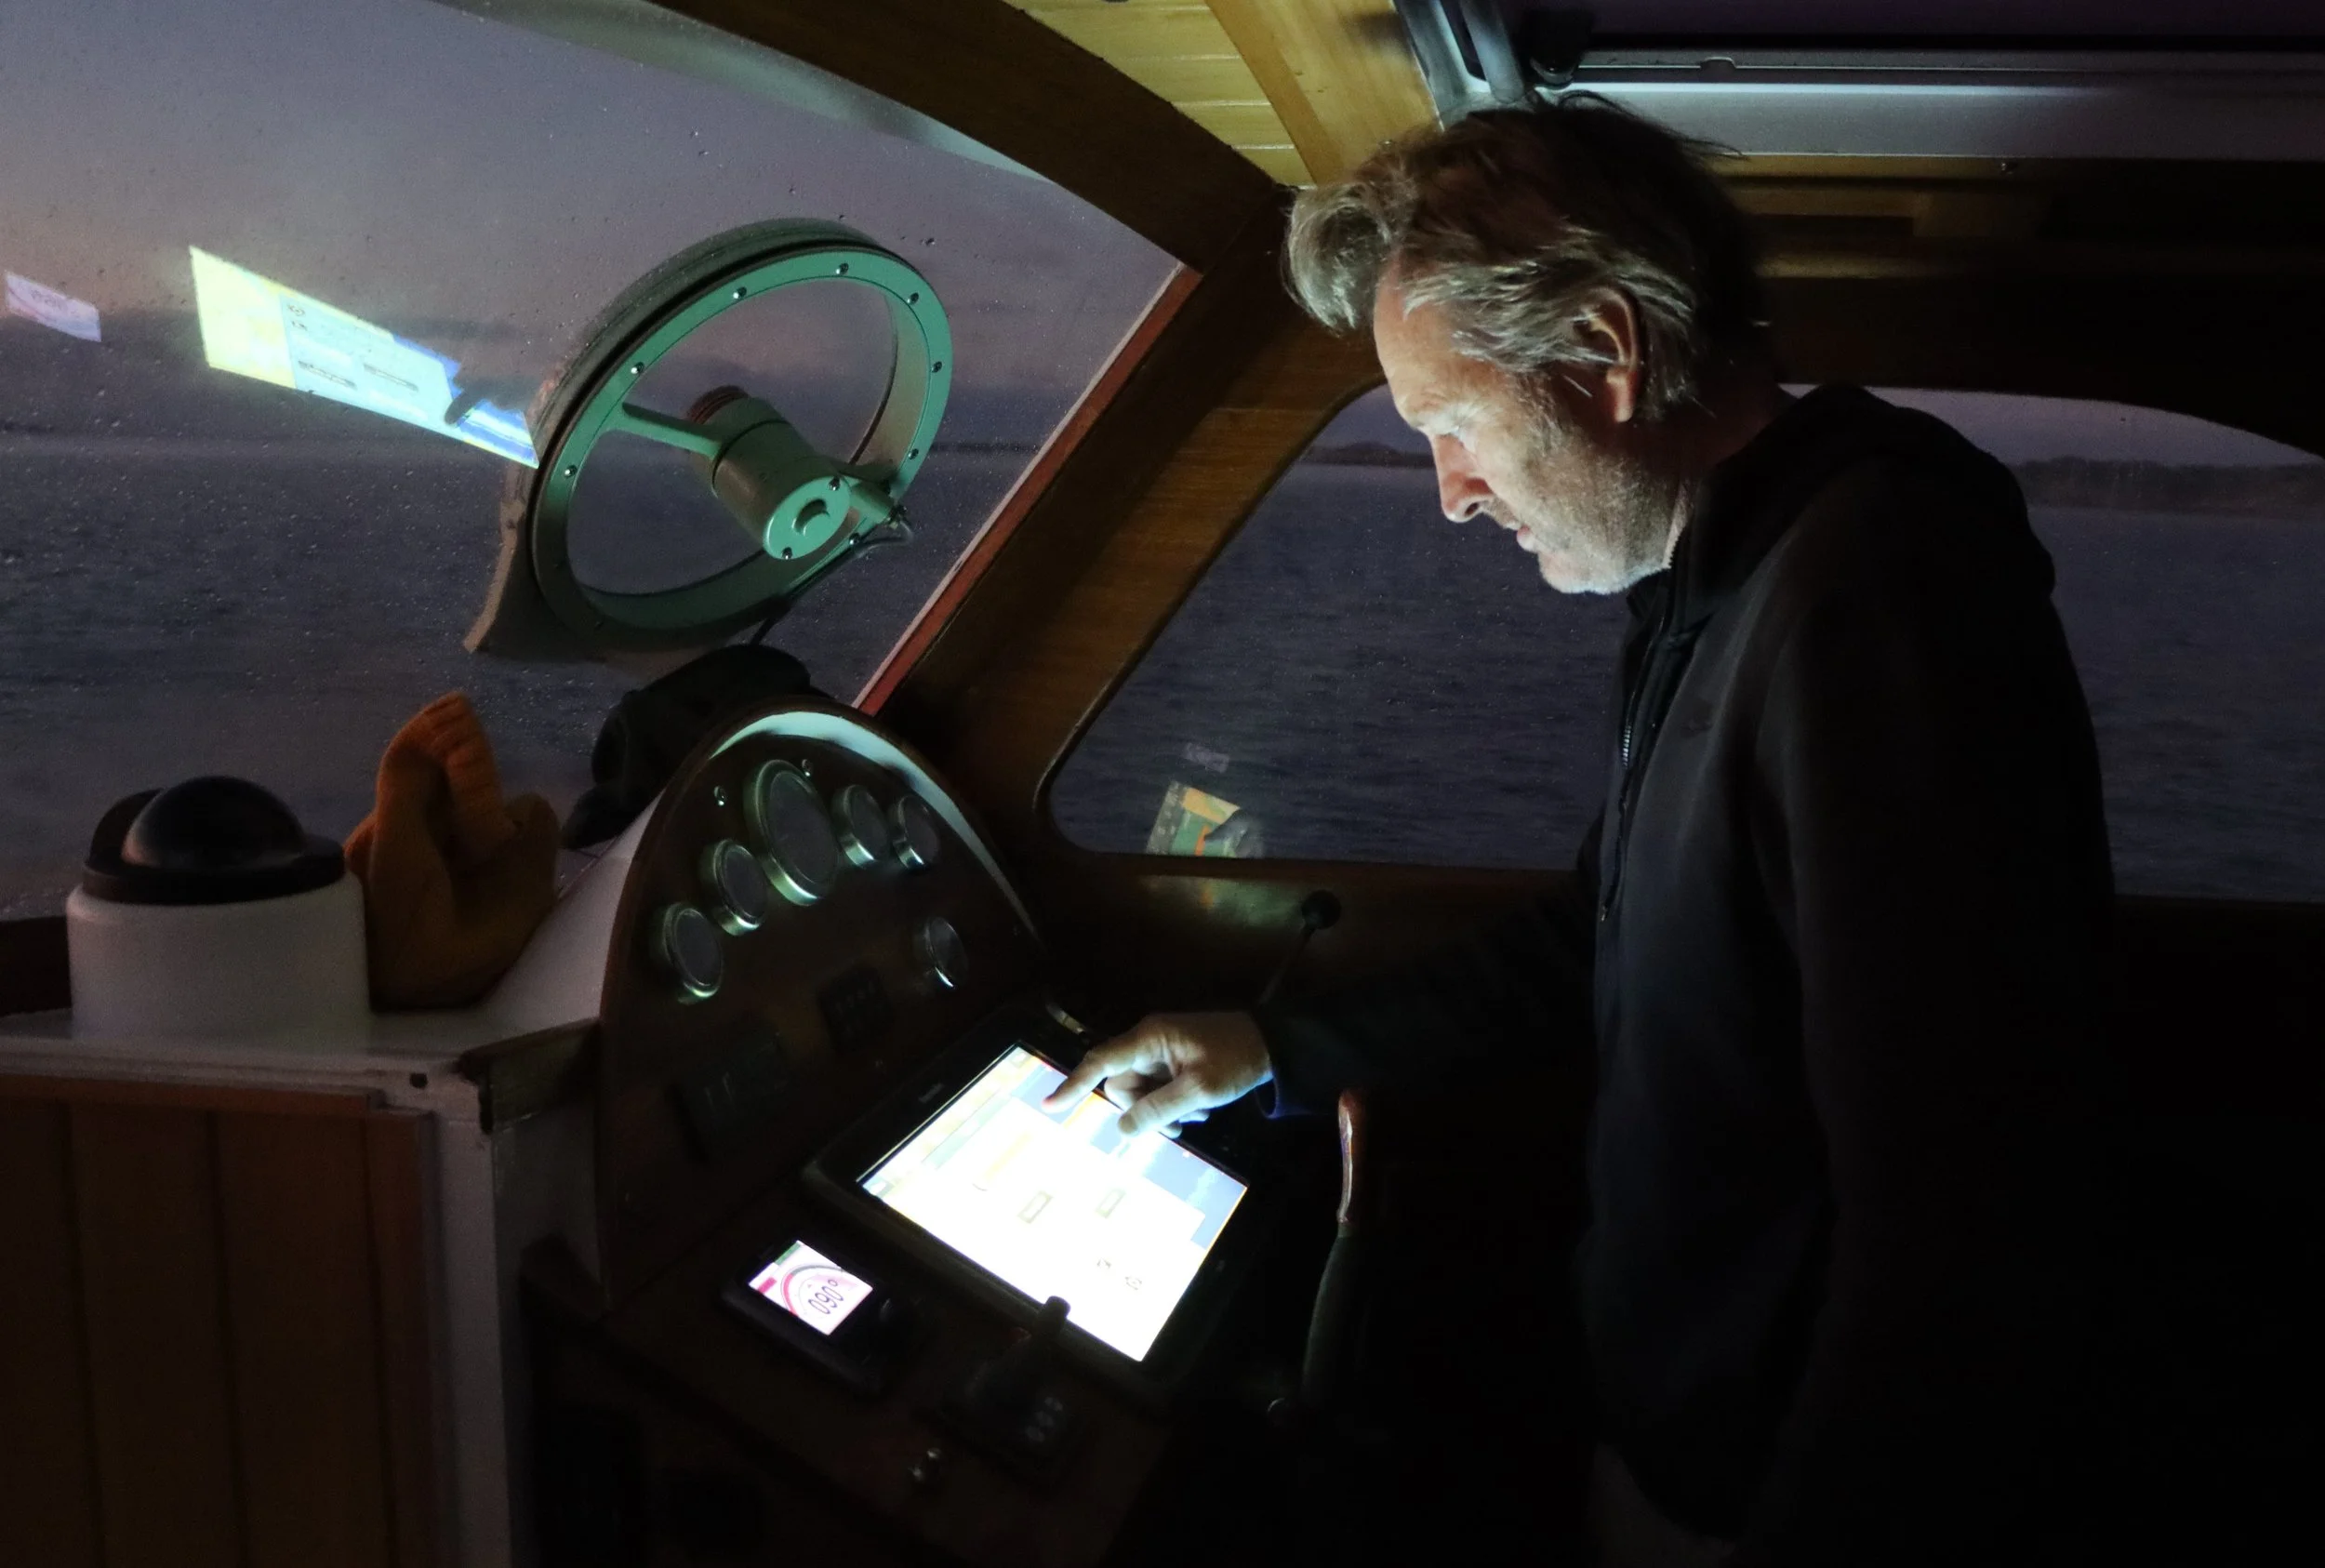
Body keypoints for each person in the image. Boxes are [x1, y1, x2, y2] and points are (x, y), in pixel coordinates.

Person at [1045, 99, 2128, 1564]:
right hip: (1680, 1433)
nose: (1449, 495)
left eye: (1453, 425)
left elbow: (1958, 1217)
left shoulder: (1875, 598)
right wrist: (1278, 1050)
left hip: (1771, 1492)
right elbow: (1593, 935)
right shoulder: (1711, 581)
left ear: (1607, 356)